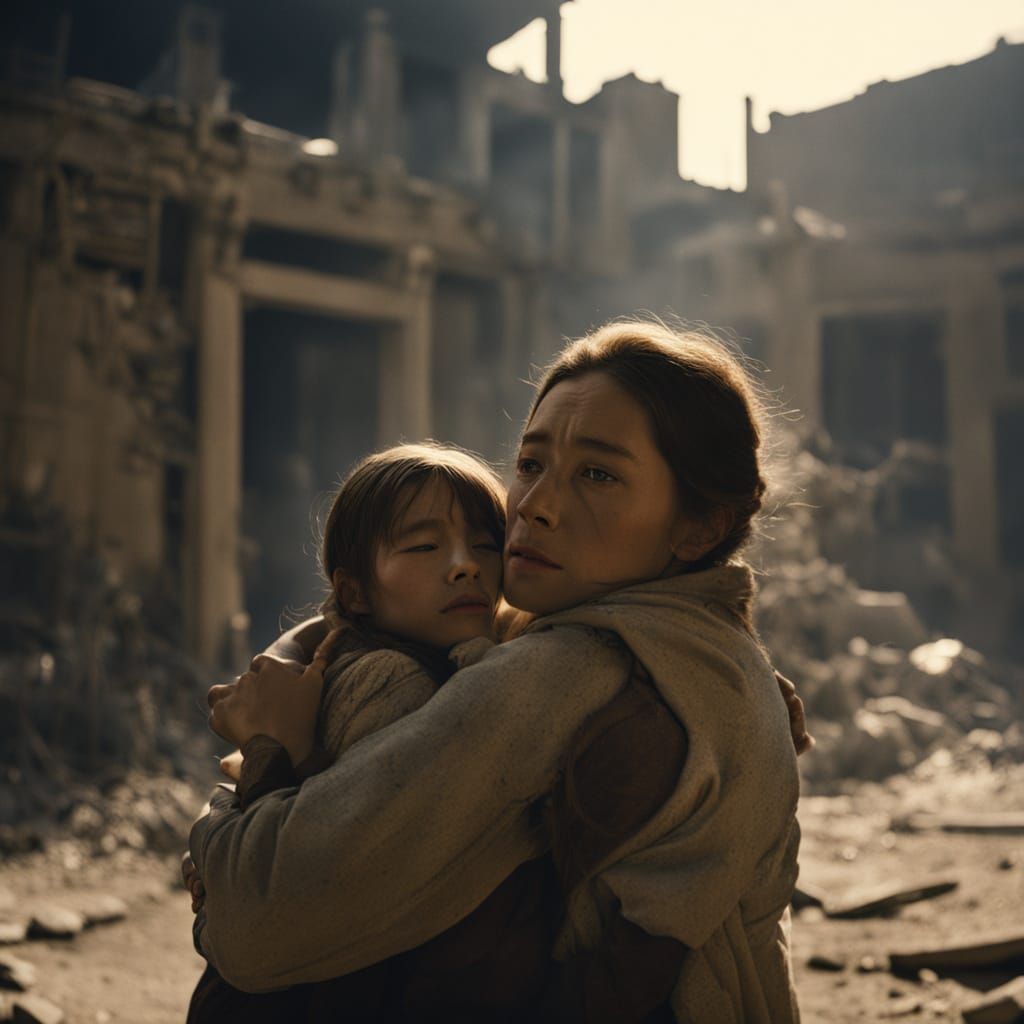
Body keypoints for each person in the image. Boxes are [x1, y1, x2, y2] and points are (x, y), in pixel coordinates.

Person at [191, 319, 805, 1022]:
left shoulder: (553, 678)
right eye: (531, 465)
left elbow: (257, 923)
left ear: (698, 526)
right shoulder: (722, 659)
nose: (535, 507)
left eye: (598, 475)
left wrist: (226, 815)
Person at [187, 441, 537, 1021]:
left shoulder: (362, 651)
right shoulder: (394, 681)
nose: (466, 563)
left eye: (484, 542)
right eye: (425, 546)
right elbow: (333, 862)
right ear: (353, 592)